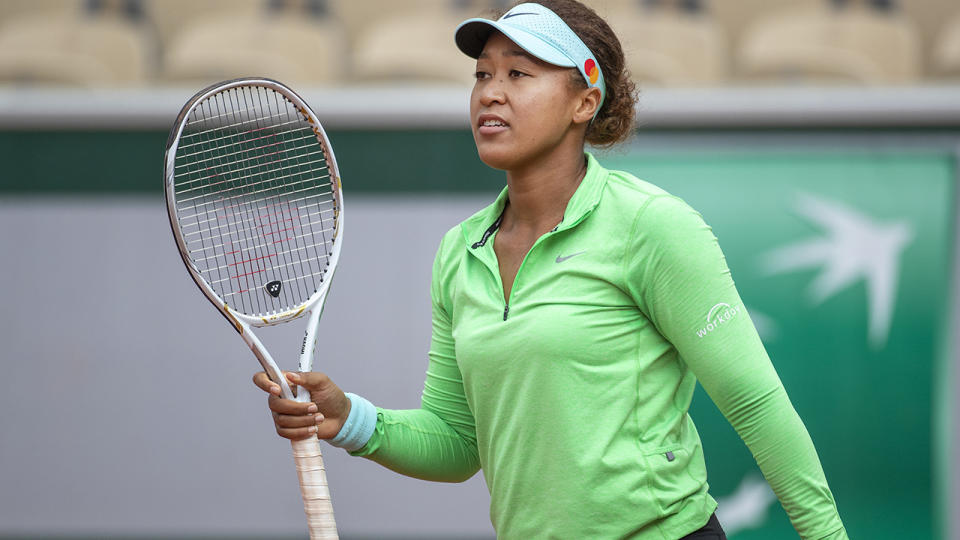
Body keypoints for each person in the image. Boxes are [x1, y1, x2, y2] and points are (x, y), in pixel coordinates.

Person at [253, 1, 849, 538]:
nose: (490, 92)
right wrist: (351, 420)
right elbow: (459, 444)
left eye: (519, 73)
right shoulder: (459, 252)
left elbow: (755, 404)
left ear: (584, 102)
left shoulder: (653, 226)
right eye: (482, 74)